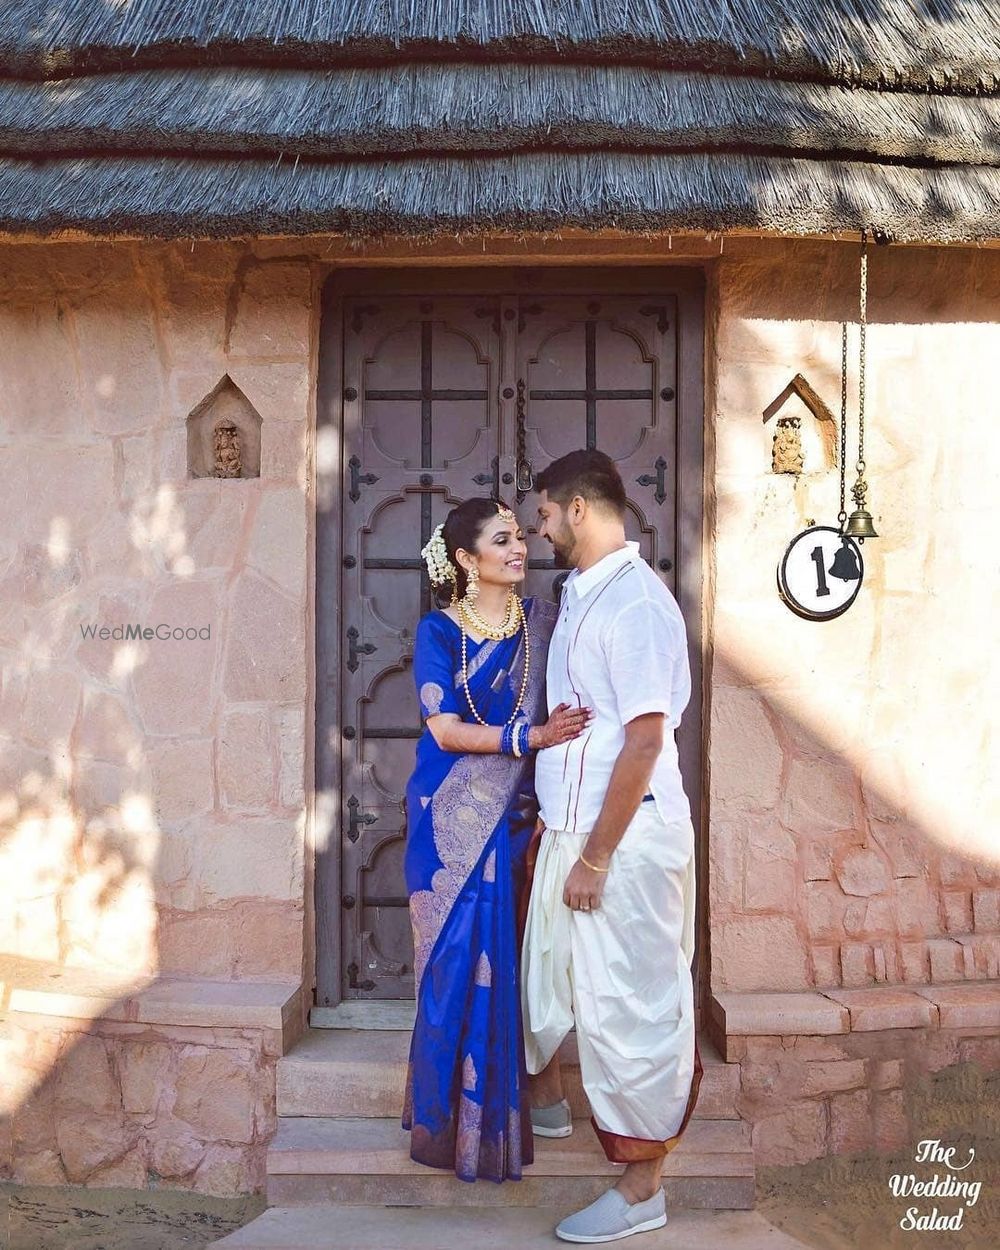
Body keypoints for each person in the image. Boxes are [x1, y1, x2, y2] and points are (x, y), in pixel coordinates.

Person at [521, 450, 703, 1242]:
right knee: (547, 983)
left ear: (578, 511)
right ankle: (548, 1107)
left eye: (543, 517)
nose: (538, 533)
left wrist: (595, 858)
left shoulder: (636, 604)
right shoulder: (586, 595)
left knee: (632, 1008)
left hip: (620, 846)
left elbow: (642, 742)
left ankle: (642, 1189)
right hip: (575, 834)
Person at [402, 496, 592, 1183]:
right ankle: (450, 1120)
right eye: (502, 539)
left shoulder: (544, 625)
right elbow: (445, 730)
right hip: (447, 826)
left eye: (519, 536)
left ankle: (528, 1103)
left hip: (518, 824)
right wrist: (530, 737)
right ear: (465, 558)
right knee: (454, 969)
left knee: (520, 967)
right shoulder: (438, 632)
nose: (520, 548)